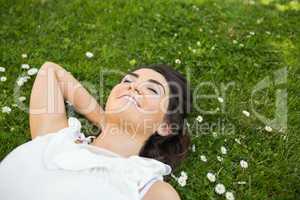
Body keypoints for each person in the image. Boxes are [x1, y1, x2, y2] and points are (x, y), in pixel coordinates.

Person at [0, 61, 192, 200]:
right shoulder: (58, 138)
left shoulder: (150, 189)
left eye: (152, 90)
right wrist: (104, 120)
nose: (133, 86)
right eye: (127, 81)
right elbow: (51, 71)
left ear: (166, 127)